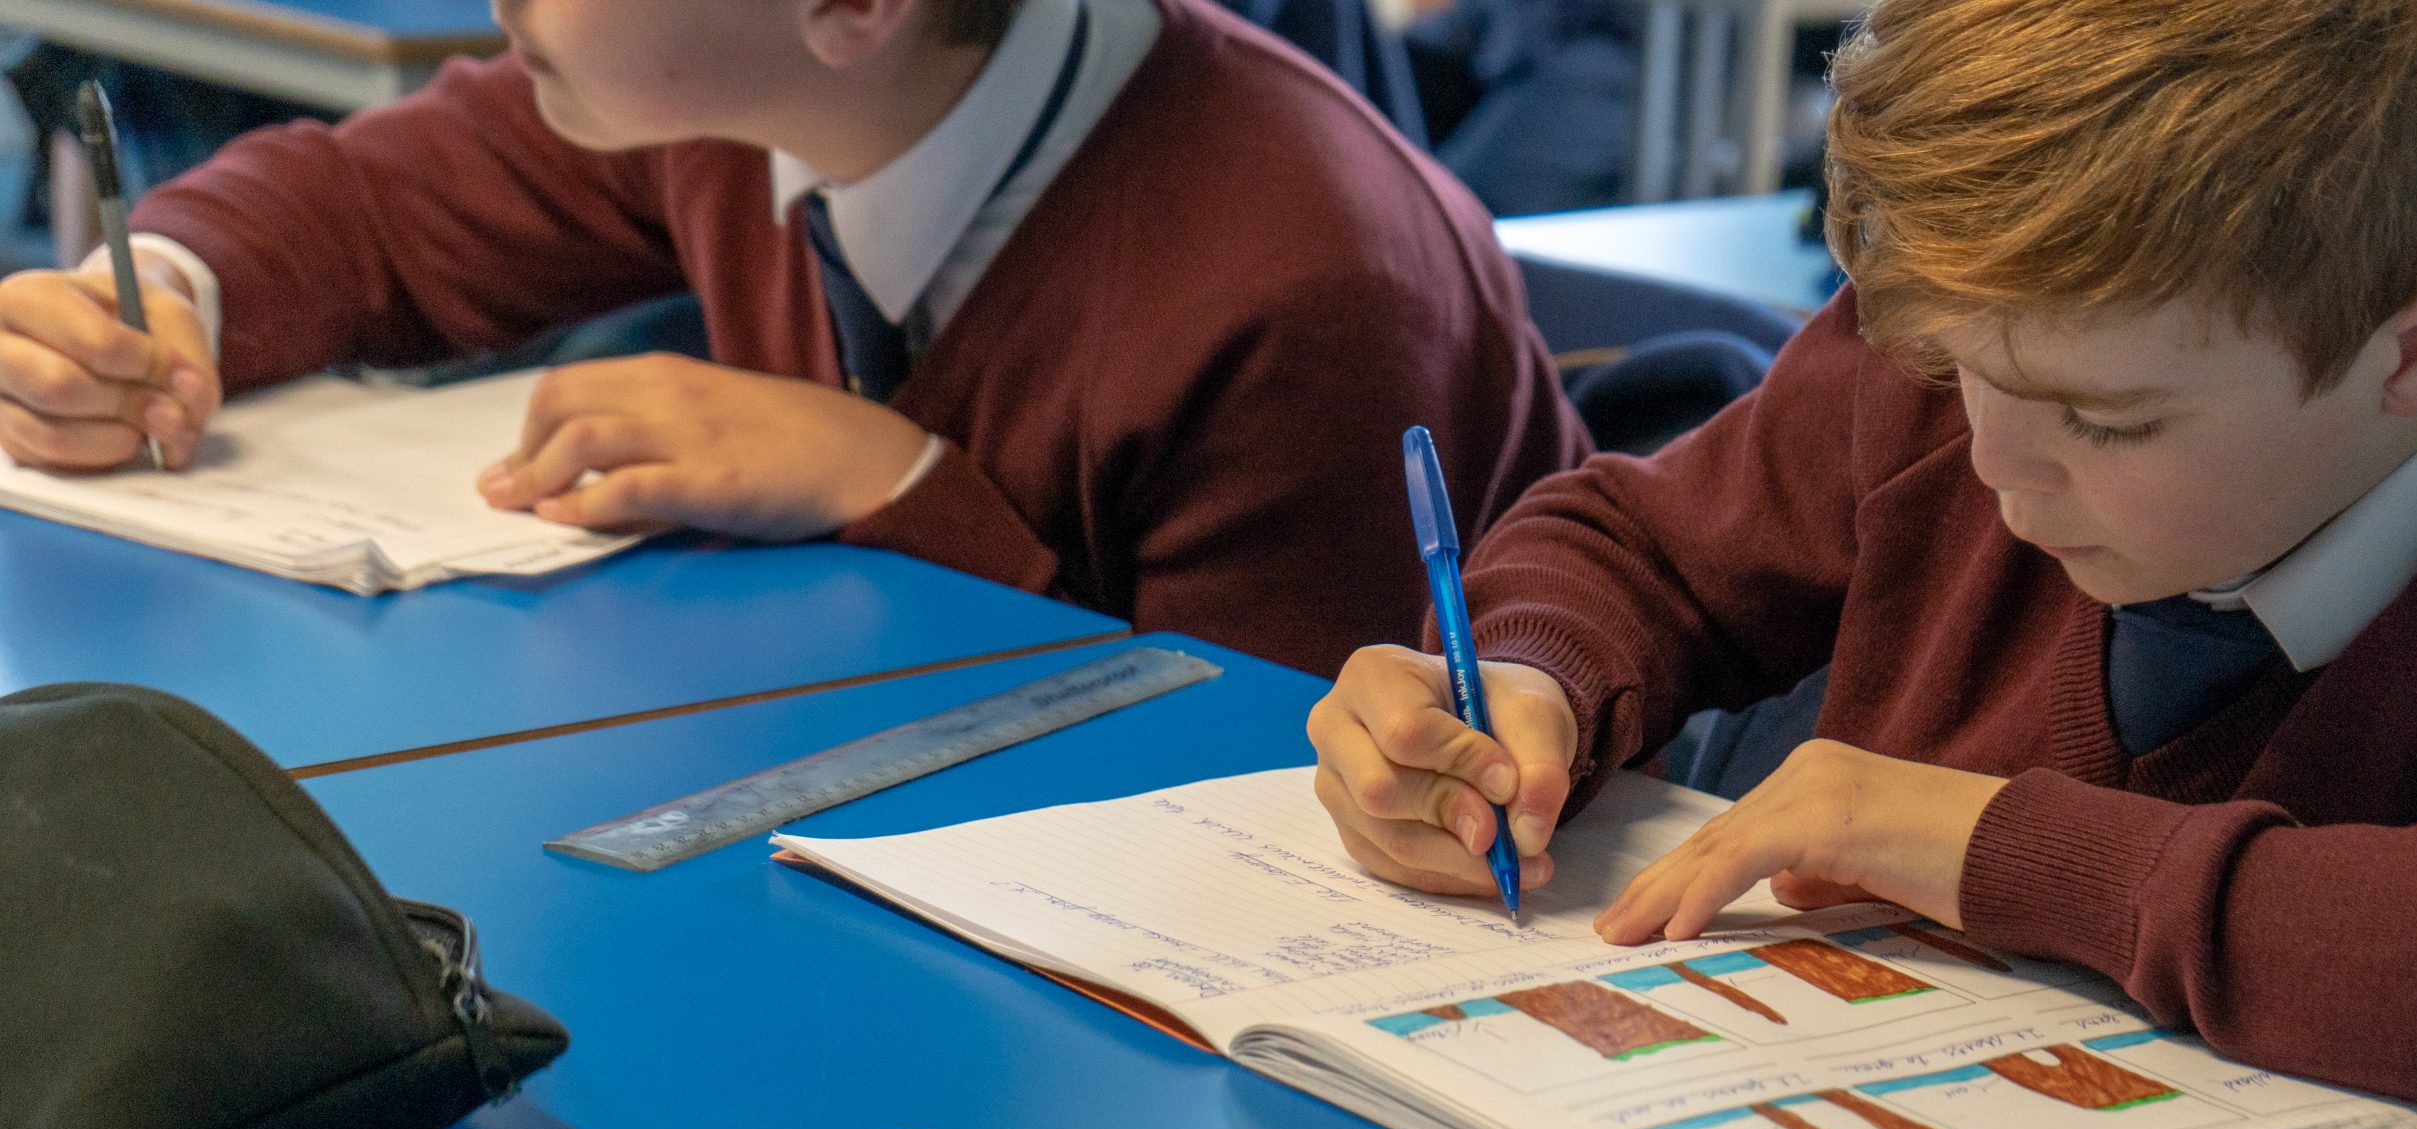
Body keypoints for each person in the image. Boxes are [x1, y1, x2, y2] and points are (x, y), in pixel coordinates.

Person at [1304, 0, 2417, 1129]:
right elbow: (1638, 548)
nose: (1996, 471)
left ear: (2414, 355)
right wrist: (1526, 683)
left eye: (2105, 423)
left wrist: (1993, 849)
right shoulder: (1993, 317)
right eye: (1956, 372)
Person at [0, 0, 1584, 677]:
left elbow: (1256, 805)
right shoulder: (722, 99)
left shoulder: (1305, 286)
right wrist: (157, 302)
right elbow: (373, 210)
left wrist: (896, 483)